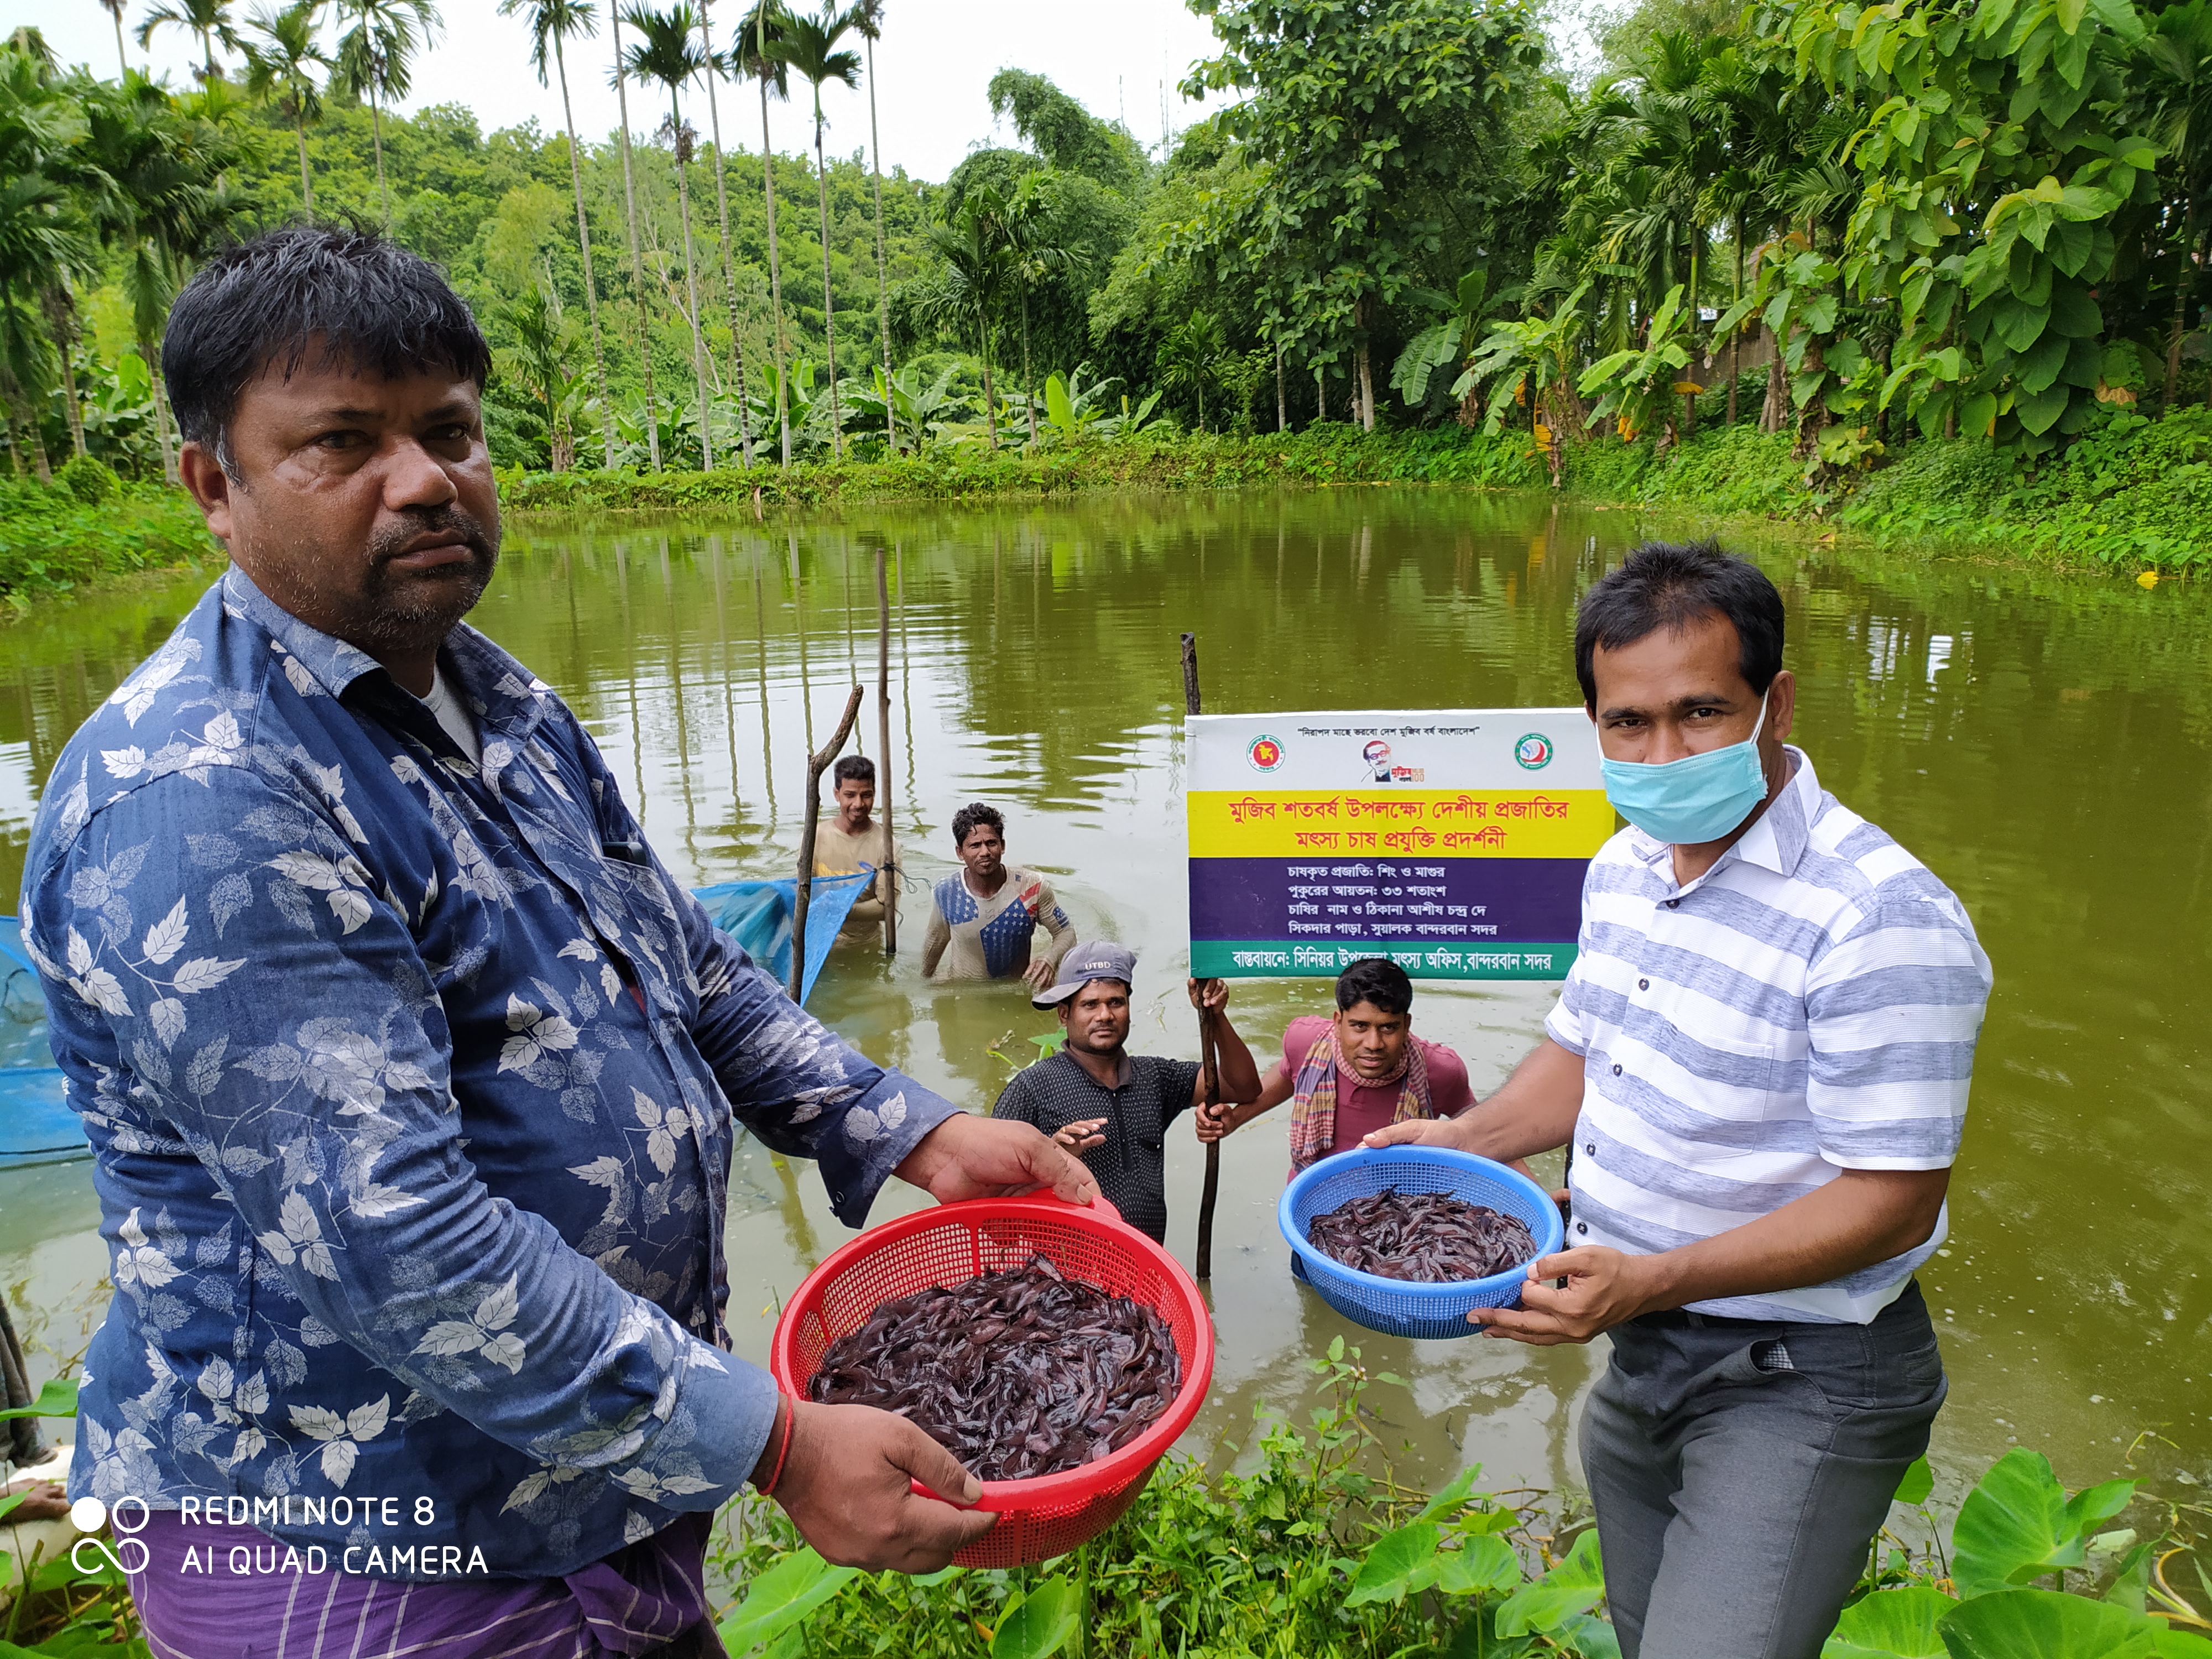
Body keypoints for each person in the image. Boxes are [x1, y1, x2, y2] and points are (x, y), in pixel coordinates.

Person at [18, 227, 1097, 1658]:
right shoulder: (204, 797)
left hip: (593, 1482)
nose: (424, 479)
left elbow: (687, 969)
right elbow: (400, 1242)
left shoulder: (499, 696)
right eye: (342, 442)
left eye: (449, 430)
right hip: (365, 1554)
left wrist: (909, 1131)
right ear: (214, 486)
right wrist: (776, 1445)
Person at [1368, 539, 1992, 1659]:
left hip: (1800, 1373)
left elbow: (1893, 1201)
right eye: (1627, 723)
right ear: (1594, 725)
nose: (1662, 753)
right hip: (1644, 1347)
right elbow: (1581, 1052)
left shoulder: (1876, 917)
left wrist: (1652, 1278)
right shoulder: (1626, 865)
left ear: (1774, 705)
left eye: (1700, 713)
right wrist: (1462, 1140)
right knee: (1643, 1631)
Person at [990, 943, 1262, 1244]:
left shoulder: (1156, 1077)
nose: (1105, 1015)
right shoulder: (1031, 1088)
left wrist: (1213, 1016)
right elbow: (993, 1208)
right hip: (1065, 1269)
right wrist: (1051, 1158)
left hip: (1146, 1259)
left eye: (1116, 1002)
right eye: (1090, 1005)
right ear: (1065, 1014)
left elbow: (1244, 1087)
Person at [1195, 957, 1474, 1170]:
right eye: (1359, 1026)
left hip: (1403, 1212)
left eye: (1388, 1028)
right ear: (1338, 1022)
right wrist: (1234, 1120)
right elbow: (1287, 1078)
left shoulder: (1441, 1072)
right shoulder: (1305, 1042)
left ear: (1407, 1025)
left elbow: (1481, 1136)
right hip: (1314, 1199)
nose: (1374, 1044)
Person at [920, 802, 1076, 991]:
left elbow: (1066, 933)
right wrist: (923, 985)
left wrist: (1050, 959)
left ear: (1002, 846)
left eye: (991, 843)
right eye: (975, 845)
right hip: (964, 993)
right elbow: (934, 945)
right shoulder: (947, 892)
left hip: (1015, 993)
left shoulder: (1032, 888)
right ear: (960, 852)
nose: (984, 852)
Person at [814, 753, 893, 935]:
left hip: (865, 943)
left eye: (866, 795)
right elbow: (802, 889)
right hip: (820, 940)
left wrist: (841, 910)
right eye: (850, 795)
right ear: (837, 794)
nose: (858, 804)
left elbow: (887, 907)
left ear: (874, 794)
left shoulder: (886, 845)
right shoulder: (816, 837)